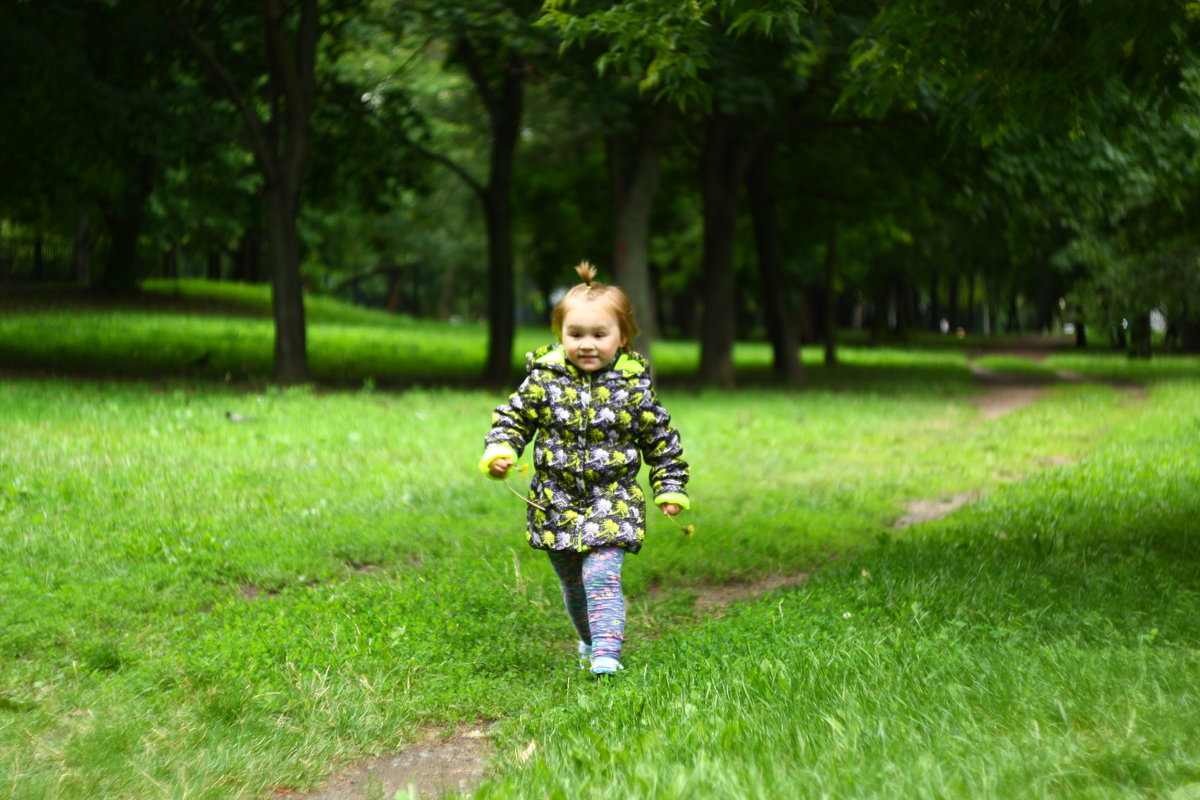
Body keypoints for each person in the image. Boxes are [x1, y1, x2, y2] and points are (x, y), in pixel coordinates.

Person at [478, 261, 690, 675]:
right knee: (573, 583)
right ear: (561, 336)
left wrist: (669, 486)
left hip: (613, 497)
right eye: (576, 335)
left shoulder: (633, 388)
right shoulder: (544, 381)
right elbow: (513, 418)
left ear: (622, 337)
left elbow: (662, 442)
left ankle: (606, 656)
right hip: (555, 500)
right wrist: (502, 450)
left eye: (599, 334)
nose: (587, 344)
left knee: (601, 574)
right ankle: (590, 639)